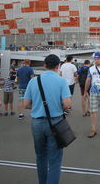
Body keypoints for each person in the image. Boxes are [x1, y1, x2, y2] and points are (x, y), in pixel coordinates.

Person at [24, 54, 71, 184]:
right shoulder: (62, 81)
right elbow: (67, 104)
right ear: (57, 66)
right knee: (55, 160)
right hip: (55, 122)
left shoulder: (34, 81)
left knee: (40, 157)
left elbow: (26, 104)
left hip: (37, 123)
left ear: (44, 65)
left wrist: (39, 107)